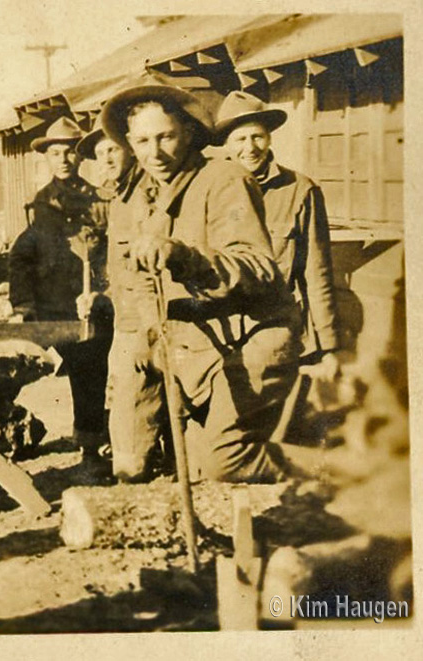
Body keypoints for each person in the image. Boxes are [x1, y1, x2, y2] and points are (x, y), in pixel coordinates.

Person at [101, 73, 303, 483]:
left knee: (222, 462)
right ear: (129, 143)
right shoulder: (144, 196)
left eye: (166, 137)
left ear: (189, 133)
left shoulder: (224, 179)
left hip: (250, 338)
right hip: (184, 339)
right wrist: (147, 333)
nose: (155, 152)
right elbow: (139, 278)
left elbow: (258, 266)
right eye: (142, 142)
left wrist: (186, 258)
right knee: (128, 460)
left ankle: (334, 471)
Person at [8, 116, 112, 478]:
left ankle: (90, 447)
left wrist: (102, 290)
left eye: (70, 152)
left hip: (91, 303)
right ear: (47, 159)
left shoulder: (100, 201)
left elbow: (109, 254)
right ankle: (9, 429)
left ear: (81, 157)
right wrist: (24, 307)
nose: (64, 159)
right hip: (50, 307)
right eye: (56, 153)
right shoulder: (39, 205)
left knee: (91, 372)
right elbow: (21, 257)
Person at [215, 91, 341, 382]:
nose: (250, 148)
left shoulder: (300, 190)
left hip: (278, 332)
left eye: (257, 137)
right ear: (226, 144)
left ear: (270, 138)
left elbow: (316, 271)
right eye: (240, 139)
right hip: (221, 337)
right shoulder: (211, 190)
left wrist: (329, 347)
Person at [76, 112, 173, 482]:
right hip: (126, 319)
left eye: (114, 150)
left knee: (134, 409)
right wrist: (102, 295)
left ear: (131, 150)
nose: (108, 159)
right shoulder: (119, 198)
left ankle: (137, 476)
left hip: (148, 320)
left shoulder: (148, 192)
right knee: (125, 405)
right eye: (101, 154)